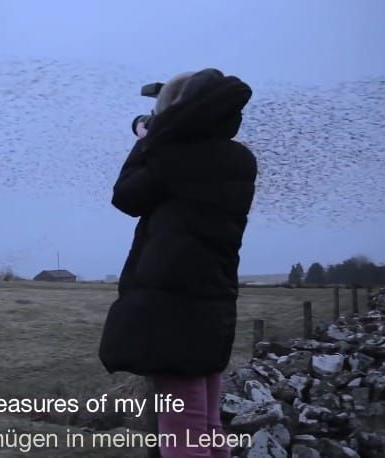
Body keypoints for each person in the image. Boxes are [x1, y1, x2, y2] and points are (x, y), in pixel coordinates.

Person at [98, 68, 257, 458]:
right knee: (206, 427)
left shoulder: (171, 156)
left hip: (173, 313)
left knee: (183, 434)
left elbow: (126, 197)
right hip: (213, 306)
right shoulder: (240, 160)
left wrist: (147, 139)